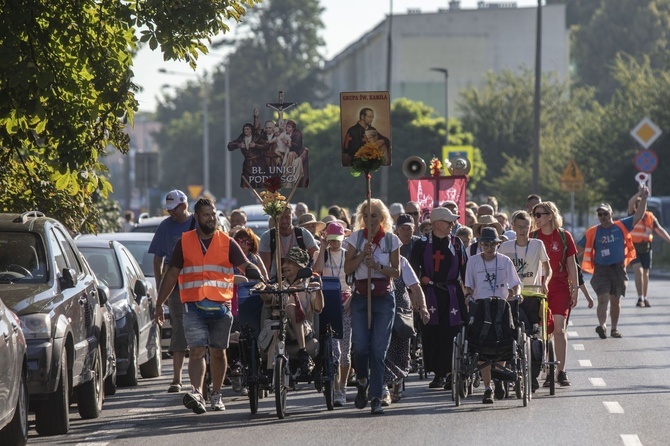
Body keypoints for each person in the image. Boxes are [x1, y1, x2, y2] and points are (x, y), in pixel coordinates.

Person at [154, 198, 262, 414]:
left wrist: (253, 271)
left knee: (218, 353)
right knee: (195, 351)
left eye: (213, 214)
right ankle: (197, 392)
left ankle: (216, 394)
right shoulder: (184, 242)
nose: (211, 218)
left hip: (220, 307)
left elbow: (244, 264)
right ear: (196, 217)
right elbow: (171, 274)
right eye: (206, 215)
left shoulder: (226, 241)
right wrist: (159, 304)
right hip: (193, 306)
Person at [344, 198, 401, 415]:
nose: (370, 220)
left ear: (382, 218)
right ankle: (361, 380)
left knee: (378, 350)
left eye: (374, 216)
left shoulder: (391, 240)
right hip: (361, 296)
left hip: (383, 297)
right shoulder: (356, 238)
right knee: (360, 346)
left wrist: (377, 266)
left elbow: (396, 271)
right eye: (366, 216)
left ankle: (376, 396)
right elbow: (347, 267)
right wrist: (361, 256)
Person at [577, 186, 649, 340]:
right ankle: (602, 325)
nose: (602, 216)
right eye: (600, 214)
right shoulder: (593, 232)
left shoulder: (621, 225)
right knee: (603, 298)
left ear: (611, 214)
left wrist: (643, 198)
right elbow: (578, 249)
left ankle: (614, 329)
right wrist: (565, 261)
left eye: (605, 213)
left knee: (615, 300)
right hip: (601, 270)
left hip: (618, 269)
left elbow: (638, 215)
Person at [409, 207, 466, 390]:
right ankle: (438, 373)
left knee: (451, 333)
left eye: (452, 222)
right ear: (436, 224)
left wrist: (468, 294)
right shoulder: (422, 244)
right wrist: (415, 294)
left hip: (451, 293)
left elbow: (465, 271)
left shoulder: (456, 244)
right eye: (448, 222)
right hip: (429, 294)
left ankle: (451, 372)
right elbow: (412, 270)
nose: (452, 225)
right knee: (431, 333)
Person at [463, 227, 521, 404]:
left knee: (503, 338)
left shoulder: (505, 261)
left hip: (502, 305)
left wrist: (516, 294)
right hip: (481, 305)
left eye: (493, 244)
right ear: (480, 245)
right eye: (485, 244)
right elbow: (469, 287)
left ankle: (498, 379)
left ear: (498, 244)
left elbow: (515, 283)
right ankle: (488, 387)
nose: (489, 248)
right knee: (482, 344)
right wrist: (468, 297)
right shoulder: (473, 262)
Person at [149, 189, 195, 394]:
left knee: (199, 325)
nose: (171, 214)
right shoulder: (165, 227)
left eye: (174, 209)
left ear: (184, 206)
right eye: (168, 210)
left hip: (197, 280)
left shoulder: (196, 224)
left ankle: (202, 376)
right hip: (175, 283)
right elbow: (158, 258)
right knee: (179, 325)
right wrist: (161, 285)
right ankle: (177, 378)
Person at [531, 201, 580, 387]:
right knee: (544, 331)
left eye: (539, 215)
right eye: (534, 215)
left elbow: (571, 265)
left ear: (550, 215)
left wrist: (575, 288)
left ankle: (560, 370)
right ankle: (546, 369)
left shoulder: (564, 236)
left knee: (559, 329)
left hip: (559, 287)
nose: (536, 218)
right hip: (538, 288)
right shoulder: (533, 237)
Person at [259, 247, 324, 377]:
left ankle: (303, 352)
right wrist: (262, 288)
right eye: (284, 262)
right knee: (278, 325)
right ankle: (269, 371)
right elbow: (268, 299)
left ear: (300, 266)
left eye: (290, 262)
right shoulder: (279, 286)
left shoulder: (308, 287)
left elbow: (319, 308)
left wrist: (318, 289)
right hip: (278, 328)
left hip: (302, 330)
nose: (284, 266)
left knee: (291, 307)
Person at [313, 223, 352, 407]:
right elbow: (317, 271)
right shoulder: (322, 253)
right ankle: (335, 388)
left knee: (345, 352)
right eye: (331, 240)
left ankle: (342, 387)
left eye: (337, 240)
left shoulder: (348, 254)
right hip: (328, 301)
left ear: (343, 239)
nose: (334, 244)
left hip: (346, 302)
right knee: (333, 351)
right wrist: (322, 248)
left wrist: (350, 299)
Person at [382, 255, 429, 406]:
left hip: (400, 310)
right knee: (380, 349)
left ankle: (397, 381)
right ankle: (383, 389)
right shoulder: (375, 259)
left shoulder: (401, 261)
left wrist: (423, 308)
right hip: (380, 309)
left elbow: (415, 286)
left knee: (401, 348)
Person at [626, 191, 670, 307]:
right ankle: (640, 297)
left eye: (642, 204)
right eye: (638, 204)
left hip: (646, 247)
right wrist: (640, 193)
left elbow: (659, 230)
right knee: (638, 270)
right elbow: (630, 202)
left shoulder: (650, 217)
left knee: (645, 273)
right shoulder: (632, 215)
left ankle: (645, 297)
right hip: (633, 247)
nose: (640, 207)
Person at [259, 205, 318, 280]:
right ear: (275, 218)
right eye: (281, 218)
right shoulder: (267, 237)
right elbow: (265, 268)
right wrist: (268, 284)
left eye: (287, 217)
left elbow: (316, 255)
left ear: (292, 215)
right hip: (275, 281)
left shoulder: (303, 234)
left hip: (300, 281)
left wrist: (310, 273)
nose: (284, 221)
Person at [499, 211, 551, 293]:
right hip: (512, 294)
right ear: (513, 228)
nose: (522, 230)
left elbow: (548, 269)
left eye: (525, 227)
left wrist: (545, 282)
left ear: (530, 228)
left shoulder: (538, 244)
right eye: (519, 227)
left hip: (532, 294)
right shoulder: (505, 247)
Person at [227, 123, 264, 187]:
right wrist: (238, 145)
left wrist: (256, 145)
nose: (245, 131)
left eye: (247, 129)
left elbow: (266, 146)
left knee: (260, 180)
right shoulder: (241, 138)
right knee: (246, 181)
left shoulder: (256, 137)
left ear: (251, 130)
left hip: (258, 162)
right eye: (244, 129)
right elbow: (230, 146)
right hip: (248, 163)